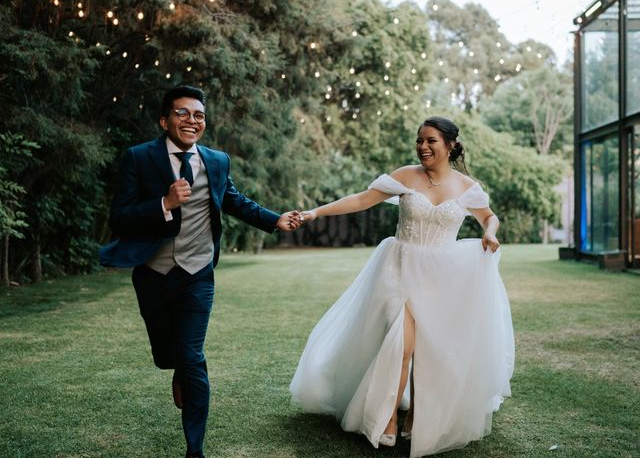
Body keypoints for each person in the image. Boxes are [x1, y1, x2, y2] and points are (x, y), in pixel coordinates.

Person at [290, 116, 514, 457]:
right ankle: (389, 417)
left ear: (450, 145)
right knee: (403, 344)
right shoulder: (406, 175)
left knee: (428, 349)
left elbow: (489, 216)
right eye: (419, 141)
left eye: (431, 141)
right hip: (399, 267)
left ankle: (418, 418)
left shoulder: (467, 187)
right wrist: (315, 213)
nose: (423, 147)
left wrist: (490, 233)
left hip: (442, 274)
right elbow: (362, 199)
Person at [99, 85, 302, 458]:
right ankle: (176, 364)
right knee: (169, 355)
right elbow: (120, 217)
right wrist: (164, 203)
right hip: (153, 273)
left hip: (197, 273)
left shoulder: (217, 160)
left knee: (193, 357)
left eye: (199, 115)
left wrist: (276, 221)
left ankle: (195, 450)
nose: (192, 121)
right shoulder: (139, 158)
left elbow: (234, 200)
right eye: (183, 113)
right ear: (165, 120)